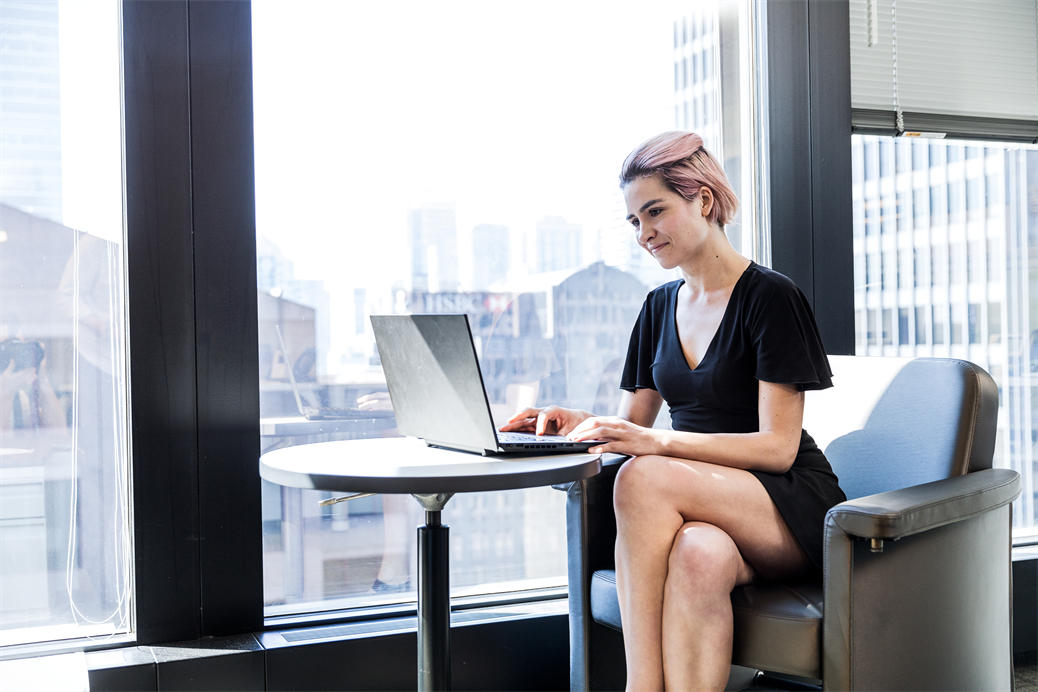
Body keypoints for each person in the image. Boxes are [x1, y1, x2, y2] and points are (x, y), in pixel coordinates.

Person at [500, 131, 845, 692]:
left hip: (784, 503)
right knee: (698, 557)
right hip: (704, 504)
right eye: (634, 221)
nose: (644, 234)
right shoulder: (657, 307)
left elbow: (777, 449)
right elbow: (631, 427)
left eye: (654, 212)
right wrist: (576, 422)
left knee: (642, 477)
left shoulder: (770, 297)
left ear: (703, 200)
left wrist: (657, 443)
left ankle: (640, 685)